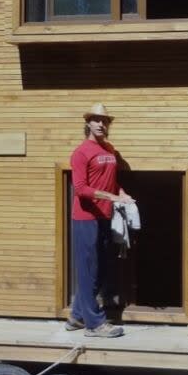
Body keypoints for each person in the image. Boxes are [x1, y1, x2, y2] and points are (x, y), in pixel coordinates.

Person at [66, 103, 133, 338]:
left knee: (100, 269)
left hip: (105, 216)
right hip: (85, 219)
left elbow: (111, 181)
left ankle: (77, 316)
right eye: (96, 120)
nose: (101, 124)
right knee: (87, 271)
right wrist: (112, 196)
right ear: (88, 123)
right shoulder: (81, 152)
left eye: (105, 121)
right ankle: (94, 325)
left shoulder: (109, 150)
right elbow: (82, 189)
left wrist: (121, 193)